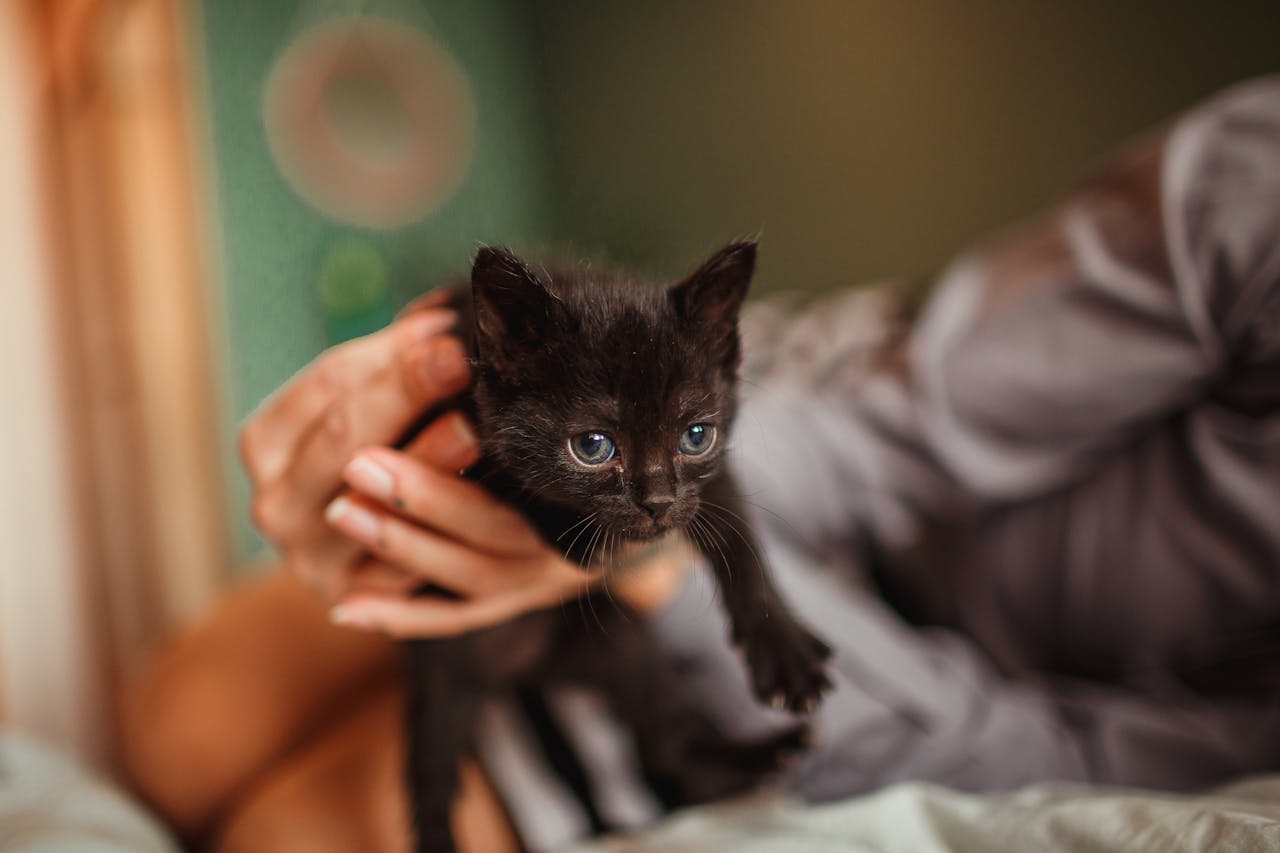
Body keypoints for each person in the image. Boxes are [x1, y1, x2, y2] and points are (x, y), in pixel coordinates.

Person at [120, 76, 1280, 852]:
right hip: (716, 456)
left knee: (282, 833)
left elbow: (1055, 767)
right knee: (170, 728)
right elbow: (885, 422)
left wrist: (649, 567)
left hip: (752, 656)